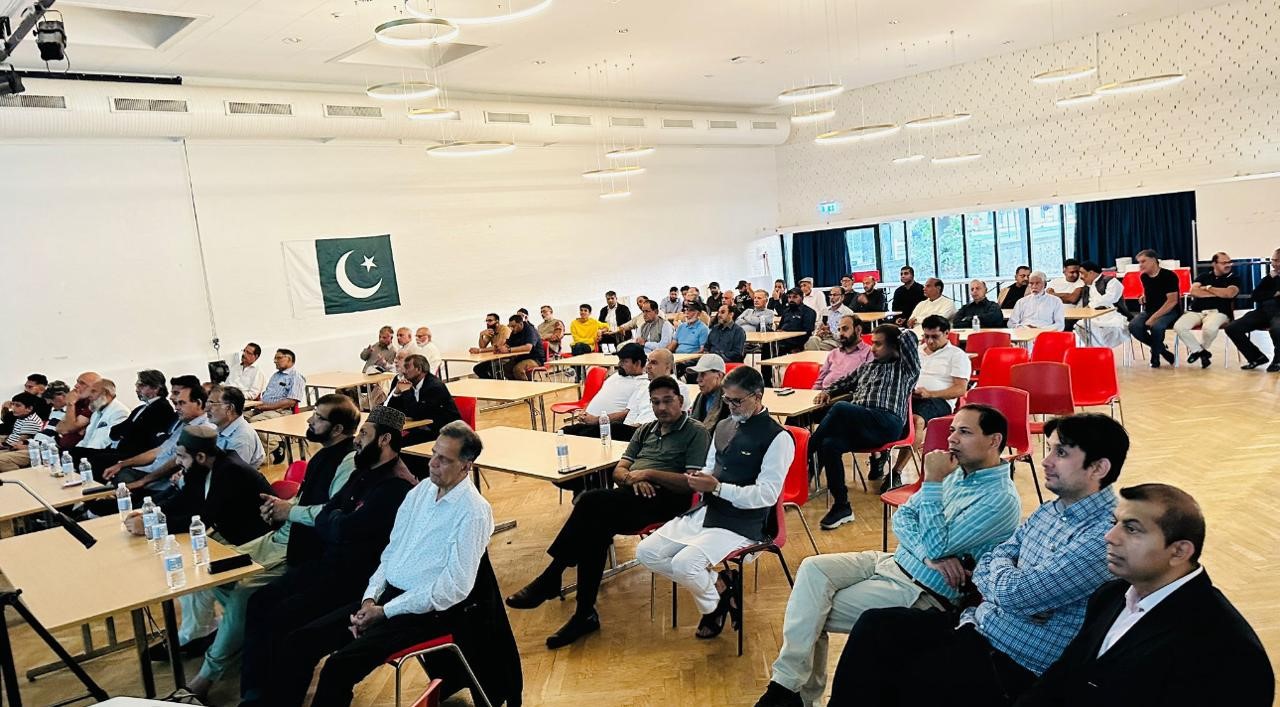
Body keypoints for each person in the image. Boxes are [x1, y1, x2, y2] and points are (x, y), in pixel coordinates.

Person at [827, 413, 1129, 707]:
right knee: (876, 625)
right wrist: (1010, 587)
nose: (1046, 461)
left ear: (1098, 468)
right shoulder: (1049, 511)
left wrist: (1008, 587)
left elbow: (1016, 592)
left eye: (1060, 453)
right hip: (978, 626)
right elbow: (995, 560)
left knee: (899, 675)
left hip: (1014, 660)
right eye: (1049, 449)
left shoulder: (1105, 536)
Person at [755, 405, 1021, 707]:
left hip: (923, 590)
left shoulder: (1000, 500)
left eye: (965, 432)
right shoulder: (956, 473)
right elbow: (904, 517)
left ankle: (788, 691)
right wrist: (926, 555)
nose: (951, 439)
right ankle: (791, 692)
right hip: (895, 562)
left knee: (809, 612)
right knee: (812, 569)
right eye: (952, 430)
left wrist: (932, 484)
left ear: (994, 440)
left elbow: (938, 546)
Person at [260, 421, 494, 707]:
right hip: (386, 600)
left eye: (444, 459)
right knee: (299, 642)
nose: (432, 463)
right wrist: (369, 599)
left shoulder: (473, 512)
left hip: (428, 612)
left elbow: (453, 589)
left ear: (466, 466)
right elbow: (391, 552)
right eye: (434, 453)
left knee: (338, 668)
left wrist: (384, 612)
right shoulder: (420, 492)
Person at [1015, 483, 1274, 707]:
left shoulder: (1227, 648)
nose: (1109, 537)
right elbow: (1062, 677)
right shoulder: (1110, 595)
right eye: (1114, 523)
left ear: (1179, 552)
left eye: (1132, 529)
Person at [506, 377, 710, 647]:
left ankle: (553, 577)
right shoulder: (645, 430)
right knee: (595, 529)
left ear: (680, 401)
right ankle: (583, 613)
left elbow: (691, 483)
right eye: (655, 402)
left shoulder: (696, 432)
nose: (661, 407)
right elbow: (619, 471)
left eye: (667, 401)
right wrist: (632, 479)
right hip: (631, 496)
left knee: (590, 502)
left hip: (669, 501)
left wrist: (648, 474)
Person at [182, 395, 361, 700]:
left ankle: (208, 674)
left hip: (302, 545)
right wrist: (280, 506)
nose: (309, 420)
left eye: (318, 418)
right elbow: (305, 499)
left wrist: (288, 511)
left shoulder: (347, 462)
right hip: (283, 534)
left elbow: (331, 513)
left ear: (338, 429)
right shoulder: (321, 455)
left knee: (243, 595)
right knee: (212, 572)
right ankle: (235, 637)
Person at [239, 405, 415, 706]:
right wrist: (335, 520)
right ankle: (254, 693)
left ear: (385, 439)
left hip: (355, 581)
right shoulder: (363, 471)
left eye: (364, 434)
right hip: (329, 564)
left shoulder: (396, 486)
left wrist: (334, 521)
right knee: (259, 601)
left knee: (288, 626)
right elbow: (330, 514)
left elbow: (344, 527)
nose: (356, 439)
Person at [636, 365, 796, 640]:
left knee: (685, 564)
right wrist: (701, 477)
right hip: (709, 509)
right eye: (726, 400)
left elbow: (767, 495)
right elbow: (711, 466)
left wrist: (719, 488)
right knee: (646, 552)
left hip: (744, 521)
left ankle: (712, 607)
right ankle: (720, 588)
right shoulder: (723, 425)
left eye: (737, 401)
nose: (730, 406)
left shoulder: (778, 438)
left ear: (758, 397)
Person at [123, 425, 274, 659]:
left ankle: (196, 633)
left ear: (200, 456)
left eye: (181, 456)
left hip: (257, 545)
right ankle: (199, 630)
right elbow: (186, 499)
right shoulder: (206, 467)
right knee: (186, 559)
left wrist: (151, 526)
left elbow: (204, 518)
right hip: (229, 537)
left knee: (195, 569)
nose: (178, 462)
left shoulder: (231, 472)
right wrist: (150, 514)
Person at [811, 325, 920, 529]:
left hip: (887, 423)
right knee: (829, 444)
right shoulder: (866, 367)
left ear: (894, 346)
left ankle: (806, 453)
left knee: (841, 408)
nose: (873, 349)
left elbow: (910, 338)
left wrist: (898, 330)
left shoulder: (906, 369)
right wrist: (829, 392)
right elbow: (844, 383)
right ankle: (842, 506)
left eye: (878, 344)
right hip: (862, 425)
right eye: (872, 344)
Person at [103, 379, 212, 502]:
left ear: (198, 403)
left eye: (181, 403)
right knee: (115, 473)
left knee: (116, 496)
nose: (176, 408)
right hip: (150, 472)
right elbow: (159, 450)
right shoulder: (185, 423)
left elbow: (176, 462)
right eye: (176, 404)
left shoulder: (203, 429)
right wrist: (122, 464)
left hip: (162, 481)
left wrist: (142, 481)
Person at [892, 315, 971, 478]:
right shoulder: (917, 351)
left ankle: (896, 471)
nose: (929, 341)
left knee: (916, 421)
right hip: (911, 395)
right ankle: (879, 457)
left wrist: (930, 394)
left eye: (935, 337)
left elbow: (960, 389)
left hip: (939, 400)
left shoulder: (957, 355)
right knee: (881, 410)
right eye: (926, 336)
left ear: (947, 333)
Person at [77, 370, 178, 474]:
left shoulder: (162, 408)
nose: (137, 390)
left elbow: (141, 436)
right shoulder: (140, 408)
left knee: (93, 459)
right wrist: (127, 431)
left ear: (156, 388)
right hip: (122, 450)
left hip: (135, 454)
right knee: (77, 452)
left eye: (141, 386)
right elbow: (115, 432)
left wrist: (126, 431)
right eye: (137, 386)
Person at [560, 343, 649, 442]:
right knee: (560, 433)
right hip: (588, 422)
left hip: (603, 428)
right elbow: (599, 396)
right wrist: (584, 410)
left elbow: (627, 413)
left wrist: (596, 420)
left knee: (568, 440)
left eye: (624, 361)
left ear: (637, 363)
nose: (619, 364)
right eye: (620, 360)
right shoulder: (616, 375)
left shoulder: (643, 384)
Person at [1172, 252, 1240, 368]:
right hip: (1196, 311)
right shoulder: (1203, 276)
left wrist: (1208, 288)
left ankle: (1199, 350)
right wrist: (1219, 293)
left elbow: (1229, 293)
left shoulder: (1234, 278)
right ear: (1214, 264)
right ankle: (1201, 352)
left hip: (1218, 312)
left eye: (1229, 262)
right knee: (1179, 326)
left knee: (1209, 328)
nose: (1228, 265)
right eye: (1224, 263)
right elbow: (1194, 291)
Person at [386, 353, 462, 447]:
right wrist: (396, 393)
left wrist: (406, 391)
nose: (404, 371)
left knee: (396, 446)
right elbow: (391, 411)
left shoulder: (434, 387)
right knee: (388, 444)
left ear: (419, 369)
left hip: (443, 431)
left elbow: (417, 414)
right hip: (422, 429)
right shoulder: (411, 384)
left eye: (407, 367)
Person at [1225, 247, 1280, 371]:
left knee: (1277, 328)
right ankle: (1256, 357)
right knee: (1232, 328)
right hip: (1264, 312)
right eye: (1273, 260)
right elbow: (1255, 296)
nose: (1273, 264)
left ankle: (1278, 361)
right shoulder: (1270, 277)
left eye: (1277, 260)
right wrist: (1274, 293)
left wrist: (1269, 295)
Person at [1128, 249, 1183, 368]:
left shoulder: (1169, 276)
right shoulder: (1144, 277)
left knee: (1157, 327)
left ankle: (1155, 356)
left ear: (1153, 260)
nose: (1140, 265)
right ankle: (1162, 350)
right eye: (1139, 262)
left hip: (1169, 311)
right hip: (1150, 309)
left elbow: (1172, 301)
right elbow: (1153, 290)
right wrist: (1144, 296)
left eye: (1143, 261)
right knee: (1133, 326)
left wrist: (1153, 318)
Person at [206, 385, 265, 469]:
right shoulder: (222, 428)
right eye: (208, 403)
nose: (207, 409)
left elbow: (231, 474)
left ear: (229, 408)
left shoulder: (241, 440)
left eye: (213, 404)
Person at [1077, 261, 1132, 349]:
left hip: (1114, 317)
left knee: (1100, 329)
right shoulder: (1087, 287)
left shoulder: (1111, 281)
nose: (1081, 277)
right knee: (1080, 325)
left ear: (1091, 273)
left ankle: (1099, 350)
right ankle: (1097, 350)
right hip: (1094, 317)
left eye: (1082, 273)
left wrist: (1090, 305)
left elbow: (1111, 298)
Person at [244, 349, 306, 426]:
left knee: (254, 421)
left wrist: (267, 407)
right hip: (264, 408)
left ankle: (271, 436)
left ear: (289, 359)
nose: (275, 361)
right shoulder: (276, 375)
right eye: (275, 358)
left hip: (280, 411)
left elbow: (291, 402)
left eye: (279, 358)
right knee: (239, 418)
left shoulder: (296, 377)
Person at [814, 316, 874, 390]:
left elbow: (865, 384)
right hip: (823, 393)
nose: (841, 333)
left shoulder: (869, 353)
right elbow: (819, 382)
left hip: (846, 394)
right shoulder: (833, 353)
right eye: (839, 330)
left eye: (845, 329)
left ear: (858, 330)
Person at [73, 379, 130, 454]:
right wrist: (74, 452)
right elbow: (86, 440)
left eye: (93, 391)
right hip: (90, 454)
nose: (89, 395)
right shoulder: (96, 413)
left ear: (105, 393)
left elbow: (105, 442)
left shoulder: (120, 412)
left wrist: (84, 454)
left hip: (103, 456)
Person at [54, 371, 102, 450]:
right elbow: (59, 428)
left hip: (80, 451)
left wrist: (70, 404)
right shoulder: (79, 401)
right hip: (62, 447)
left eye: (82, 383)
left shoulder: (95, 404)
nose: (76, 386)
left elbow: (69, 428)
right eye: (77, 382)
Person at [687, 354, 730, 431]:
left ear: (719, 375)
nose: (698, 379)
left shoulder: (730, 402)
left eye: (703, 374)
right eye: (698, 374)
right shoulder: (700, 397)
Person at [806, 286, 854, 351]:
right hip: (822, 338)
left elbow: (847, 334)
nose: (832, 297)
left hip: (837, 341)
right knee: (811, 340)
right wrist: (818, 332)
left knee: (812, 345)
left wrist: (831, 333)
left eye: (835, 295)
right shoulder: (825, 311)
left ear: (842, 297)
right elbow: (817, 326)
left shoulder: (848, 313)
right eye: (830, 295)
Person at [498, 313, 544, 380]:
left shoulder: (530, 330)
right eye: (510, 326)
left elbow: (528, 348)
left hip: (535, 359)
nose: (511, 328)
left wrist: (509, 350)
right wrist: (500, 348)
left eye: (513, 326)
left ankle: (526, 386)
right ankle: (517, 384)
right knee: (506, 368)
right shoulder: (514, 332)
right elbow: (508, 344)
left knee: (518, 369)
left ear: (521, 324)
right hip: (521, 358)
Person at [468, 313, 510, 379]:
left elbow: (498, 346)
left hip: (506, 357)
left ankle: (496, 383)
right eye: (486, 321)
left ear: (497, 321)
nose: (487, 323)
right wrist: (481, 335)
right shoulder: (491, 331)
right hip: (494, 357)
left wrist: (479, 350)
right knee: (478, 369)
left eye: (490, 321)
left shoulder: (504, 329)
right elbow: (482, 346)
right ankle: (491, 383)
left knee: (491, 368)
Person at [778, 287, 817, 356]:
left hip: (797, 342)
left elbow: (807, 332)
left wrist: (798, 346)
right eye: (789, 297)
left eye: (795, 297)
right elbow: (780, 327)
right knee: (767, 345)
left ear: (802, 298)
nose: (791, 299)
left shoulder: (808, 312)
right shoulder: (786, 311)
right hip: (783, 340)